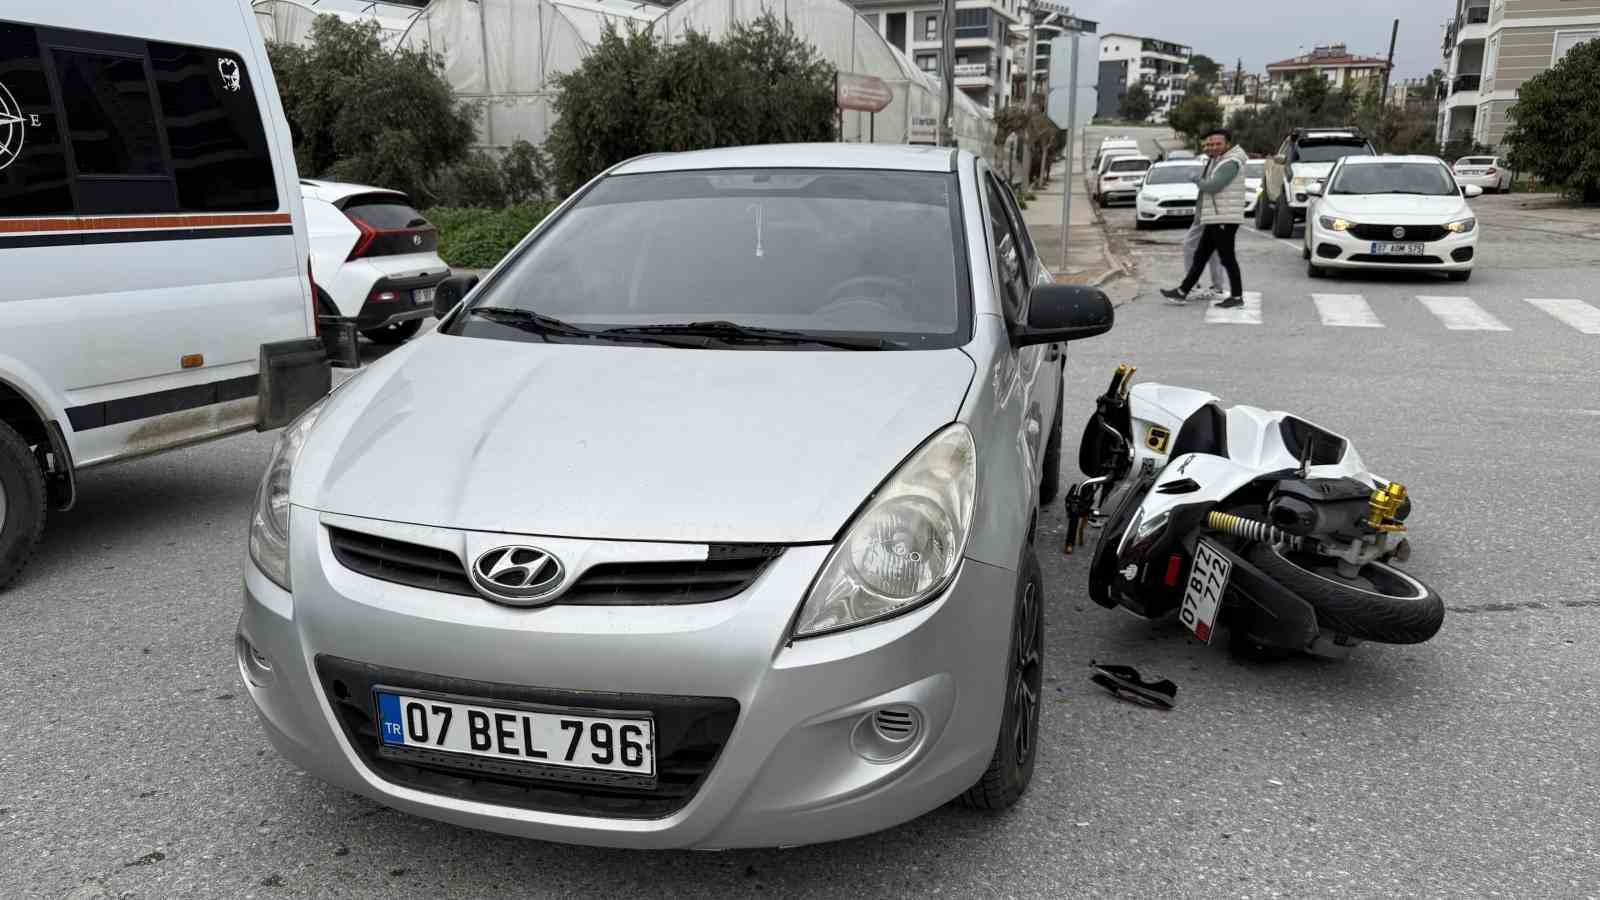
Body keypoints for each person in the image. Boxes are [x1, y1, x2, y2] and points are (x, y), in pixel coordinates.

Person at [1162, 128, 1249, 308]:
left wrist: (1196, 180)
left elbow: (1213, 186)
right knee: (1201, 256)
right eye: (1211, 144)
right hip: (1215, 217)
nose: (1214, 147)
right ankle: (1182, 292)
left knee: (1227, 258)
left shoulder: (1230, 162)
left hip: (1223, 218)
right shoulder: (1220, 160)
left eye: (1218, 144)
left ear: (1228, 144)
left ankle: (1237, 296)